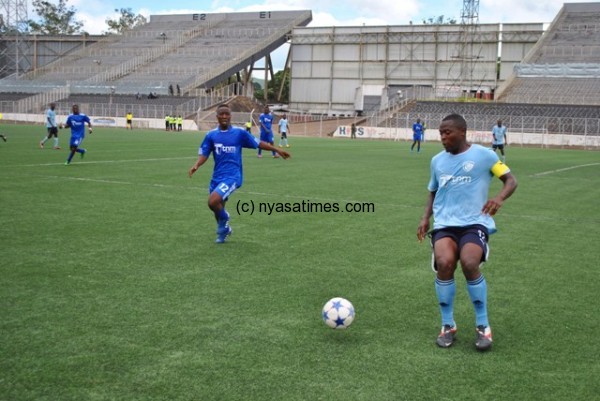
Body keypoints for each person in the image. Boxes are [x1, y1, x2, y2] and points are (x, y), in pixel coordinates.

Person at [417, 114, 517, 352]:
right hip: (444, 224)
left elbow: (511, 180)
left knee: (470, 263)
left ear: (462, 132)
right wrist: (424, 218)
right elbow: (433, 191)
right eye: (440, 133)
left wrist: (499, 198)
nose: (442, 137)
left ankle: (483, 326)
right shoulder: (437, 161)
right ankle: (447, 325)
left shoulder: (485, 156)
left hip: (474, 223)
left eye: (447, 132)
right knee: (444, 262)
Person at [188, 104, 290, 243]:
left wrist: (277, 150)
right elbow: (205, 153)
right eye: (221, 114)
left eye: (227, 114)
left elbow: (258, 143)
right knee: (218, 208)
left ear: (230, 116)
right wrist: (197, 165)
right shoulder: (211, 135)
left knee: (213, 201)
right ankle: (224, 231)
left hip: (233, 176)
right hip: (217, 176)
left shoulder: (239, 133)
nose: (224, 116)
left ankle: (225, 220)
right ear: (217, 116)